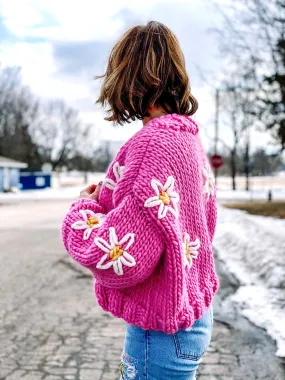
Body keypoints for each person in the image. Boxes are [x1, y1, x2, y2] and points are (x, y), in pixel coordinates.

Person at [62, 21, 219, 380]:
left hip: (161, 330)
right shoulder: (186, 139)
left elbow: (118, 255)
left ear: (131, 76)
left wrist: (82, 211)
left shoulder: (153, 146)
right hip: (189, 315)